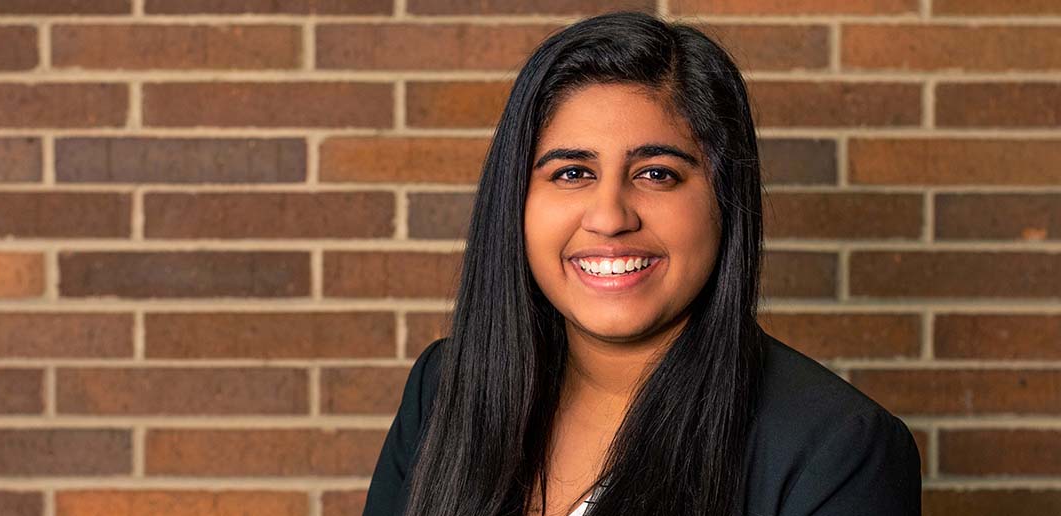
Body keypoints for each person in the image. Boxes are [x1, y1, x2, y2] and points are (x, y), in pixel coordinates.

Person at [362, 11, 921, 516]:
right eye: (572, 173)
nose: (609, 217)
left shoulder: (837, 448)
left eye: (657, 173)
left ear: (724, 200)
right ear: (515, 201)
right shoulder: (444, 388)